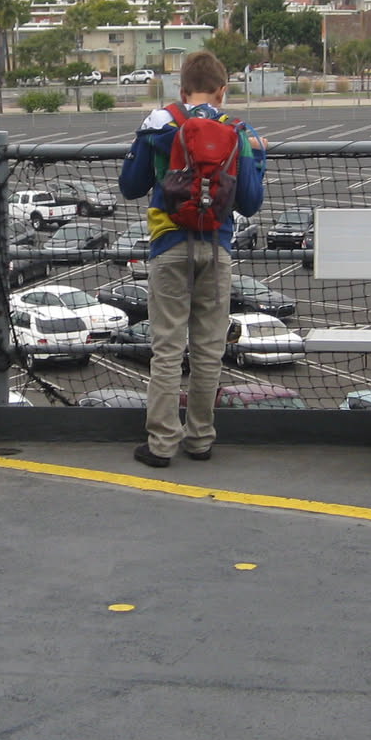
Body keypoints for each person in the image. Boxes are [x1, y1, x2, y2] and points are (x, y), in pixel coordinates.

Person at [117, 50, 266, 467]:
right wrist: (257, 158)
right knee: (208, 350)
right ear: (223, 90)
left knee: (167, 349)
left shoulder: (160, 124)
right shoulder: (236, 131)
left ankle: (162, 442)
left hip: (168, 246)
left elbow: (130, 186)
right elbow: (250, 202)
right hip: (216, 248)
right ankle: (200, 438)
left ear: (182, 91)